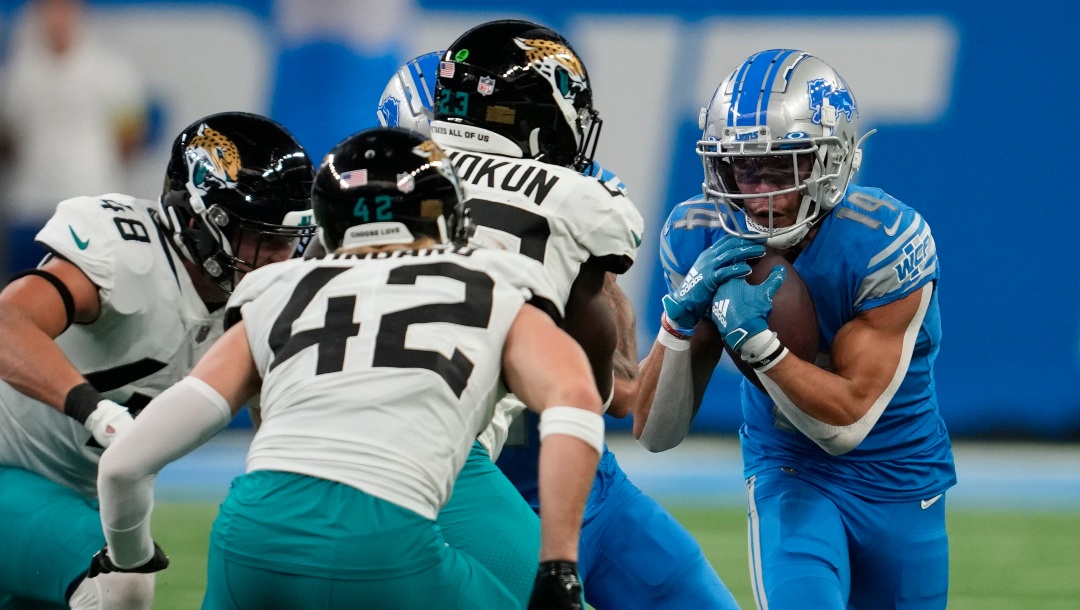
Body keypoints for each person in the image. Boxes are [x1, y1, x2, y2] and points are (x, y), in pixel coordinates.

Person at [93, 126, 604, 610]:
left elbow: (122, 465)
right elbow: (575, 404)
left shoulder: (278, 290)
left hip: (250, 534)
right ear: (447, 216)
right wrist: (559, 566)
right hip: (383, 533)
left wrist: (130, 560)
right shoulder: (494, 281)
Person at [427, 20, 739, 610]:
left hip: (569, 479)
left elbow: (615, 389)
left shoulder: (381, 205)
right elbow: (611, 393)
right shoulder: (580, 202)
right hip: (463, 478)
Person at [633, 49, 955, 609]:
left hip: (901, 474)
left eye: (781, 169)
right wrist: (677, 320)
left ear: (833, 161)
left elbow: (847, 425)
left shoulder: (881, 242)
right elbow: (655, 432)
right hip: (790, 469)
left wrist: (758, 346)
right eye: (743, 168)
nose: (759, 195)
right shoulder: (697, 235)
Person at [0, 111, 316, 609]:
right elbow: (7, 322)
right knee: (121, 582)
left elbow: (277, 433)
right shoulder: (126, 252)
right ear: (198, 218)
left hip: (74, 498)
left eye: (288, 241)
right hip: (10, 468)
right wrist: (95, 411)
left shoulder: (266, 304)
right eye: (263, 240)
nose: (280, 260)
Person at [0, 0, 148, 280]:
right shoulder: (17, 73)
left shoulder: (112, 71)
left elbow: (130, 138)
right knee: (22, 297)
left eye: (63, 10)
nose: (56, 19)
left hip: (89, 202)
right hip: (29, 206)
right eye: (48, 10)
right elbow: (10, 138)